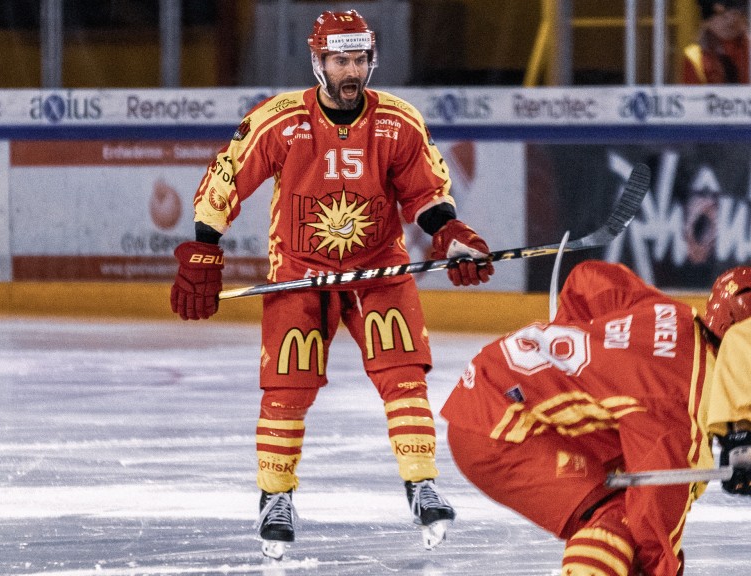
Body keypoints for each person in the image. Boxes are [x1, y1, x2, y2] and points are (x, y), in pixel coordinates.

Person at [169, 9, 494, 559]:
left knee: (403, 373)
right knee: (287, 387)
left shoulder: (399, 122)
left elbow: (426, 194)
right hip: (300, 274)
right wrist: (205, 244)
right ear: (318, 62)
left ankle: (422, 485)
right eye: (341, 60)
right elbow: (227, 175)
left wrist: (453, 238)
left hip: (378, 271)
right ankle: (275, 497)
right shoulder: (279, 121)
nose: (352, 71)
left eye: (360, 59)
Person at [441, 259, 751, 575]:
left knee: (625, 494)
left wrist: (569, 358)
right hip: (496, 428)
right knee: (622, 520)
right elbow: (654, 516)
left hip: (495, 386)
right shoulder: (680, 405)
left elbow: (588, 278)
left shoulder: (671, 313)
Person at [682, 0, 749, 84]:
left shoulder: (748, 48)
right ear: (707, 22)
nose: (731, 21)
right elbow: (691, 93)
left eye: (737, 14)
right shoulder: (694, 55)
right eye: (721, 15)